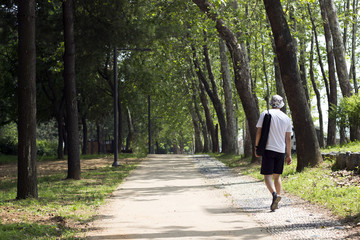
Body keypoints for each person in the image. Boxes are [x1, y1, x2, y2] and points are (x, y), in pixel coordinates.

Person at [255, 95, 292, 212]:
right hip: (280, 151)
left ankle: (275, 195)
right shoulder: (286, 118)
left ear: (271, 103)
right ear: (281, 104)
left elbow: (259, 132)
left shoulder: (265, 113)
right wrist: (289, 154)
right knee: (277, 176)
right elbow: (288, 139)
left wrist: (257, 147)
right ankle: (277, 201)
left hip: (268, 149)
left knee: (267, 176)